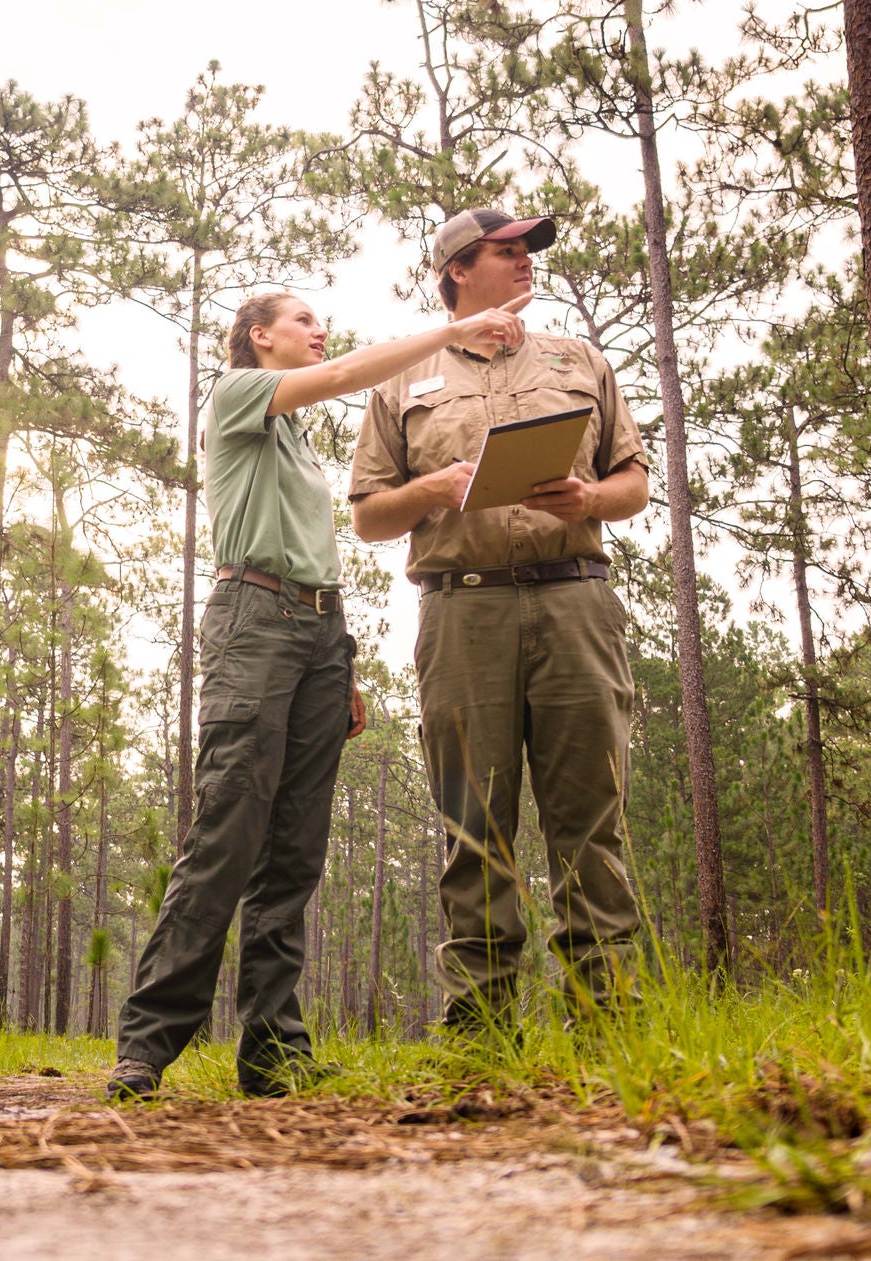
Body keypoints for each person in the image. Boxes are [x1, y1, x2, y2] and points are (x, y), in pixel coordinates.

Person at [108, 288, 531, 1101]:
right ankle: (147, 1043)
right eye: (303, 320)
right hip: (252, 620)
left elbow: (312, 547)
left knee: (295, 851)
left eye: (320, 322)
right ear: (258, 336)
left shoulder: (294, 439)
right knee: (228, 827)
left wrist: (342, 659)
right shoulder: (235, 394)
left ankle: (273, 1049)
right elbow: (342, 375)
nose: (319, 331)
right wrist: (451, 331)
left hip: (316, 632)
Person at [347, 208, 649, 1032]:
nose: (524, 263)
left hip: (575, 600)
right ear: (456, 271)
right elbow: (370, 516)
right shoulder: (402, 378)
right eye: (505, 251)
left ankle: (611, 1024)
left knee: (590, 816)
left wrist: (588, 497)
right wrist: (431, 490)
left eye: (528, 251)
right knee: (473, 821)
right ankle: (481, 1029)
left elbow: (634, 482)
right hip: (462, 610)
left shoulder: (578, 360)